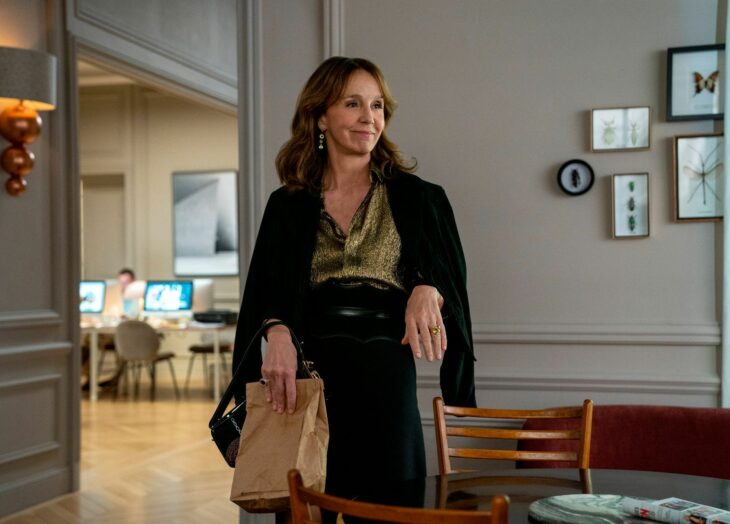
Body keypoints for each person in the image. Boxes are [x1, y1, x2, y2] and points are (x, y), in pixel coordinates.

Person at [232, 56, 475, 500]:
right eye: (352, 103)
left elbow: (449, 278)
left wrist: (429, 288)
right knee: (307, 508)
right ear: (320, 116)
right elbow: (264, 292)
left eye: (377, 105)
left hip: (386, 378)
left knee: (393, 508)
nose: (369, 117)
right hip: (309, 380)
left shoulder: (420, 198)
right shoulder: (287, 205)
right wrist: (277, 331)